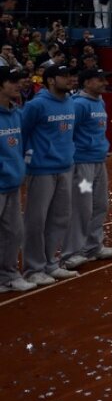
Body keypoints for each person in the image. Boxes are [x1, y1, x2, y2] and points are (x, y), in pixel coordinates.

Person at [21, 64, 79, 284]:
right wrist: (26, 162)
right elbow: (23, 132)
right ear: (51, 80)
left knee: (59, 218)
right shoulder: (36, 105)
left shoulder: (70, 103)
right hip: (41, 169)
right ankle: (33, 268)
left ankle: (50, 263)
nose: (70, 79)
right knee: (36, 220)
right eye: (64, 76)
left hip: (65, 167)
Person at [61, 69, 112, 269]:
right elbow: (68, 133)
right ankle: (71, 253)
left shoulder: (99, 101)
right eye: (99, 79)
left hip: (98, 162)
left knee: (100, 204)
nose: (104, 83)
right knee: (82, 207)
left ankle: (93, 246)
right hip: (83, 164)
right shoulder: (79, 105)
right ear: (86, 83)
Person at [0, 69, 33, 291]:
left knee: (14, 232)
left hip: (12, 182)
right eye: (11, 82)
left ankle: (8, 274)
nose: (17, 85)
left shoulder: (16, 113)